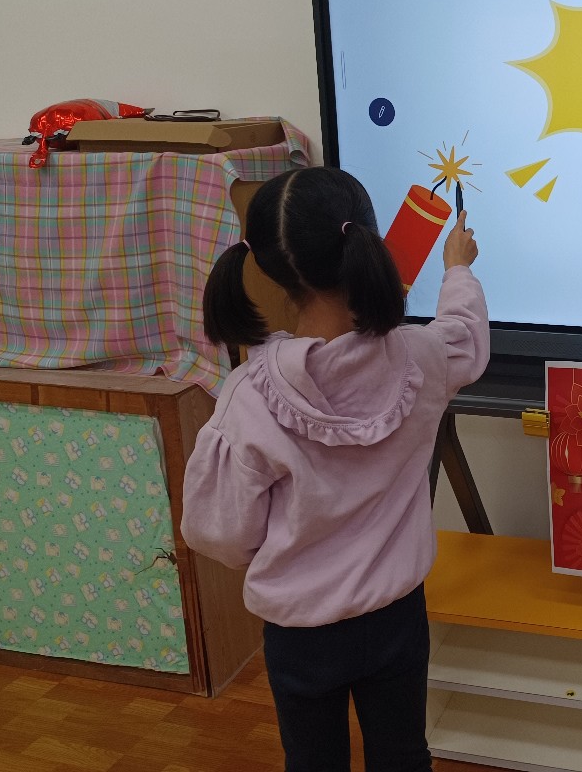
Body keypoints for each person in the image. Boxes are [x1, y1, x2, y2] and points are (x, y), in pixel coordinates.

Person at [181, 166, 487, 772]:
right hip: (397, 615)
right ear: (369, 243)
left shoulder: (249, 397)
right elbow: (465, 334)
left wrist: (288, 549)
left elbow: (218, 533)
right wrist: (458, 268)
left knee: (313, 762)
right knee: (403, 756)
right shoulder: (423, 358)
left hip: (302, 629)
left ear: (262, 264)